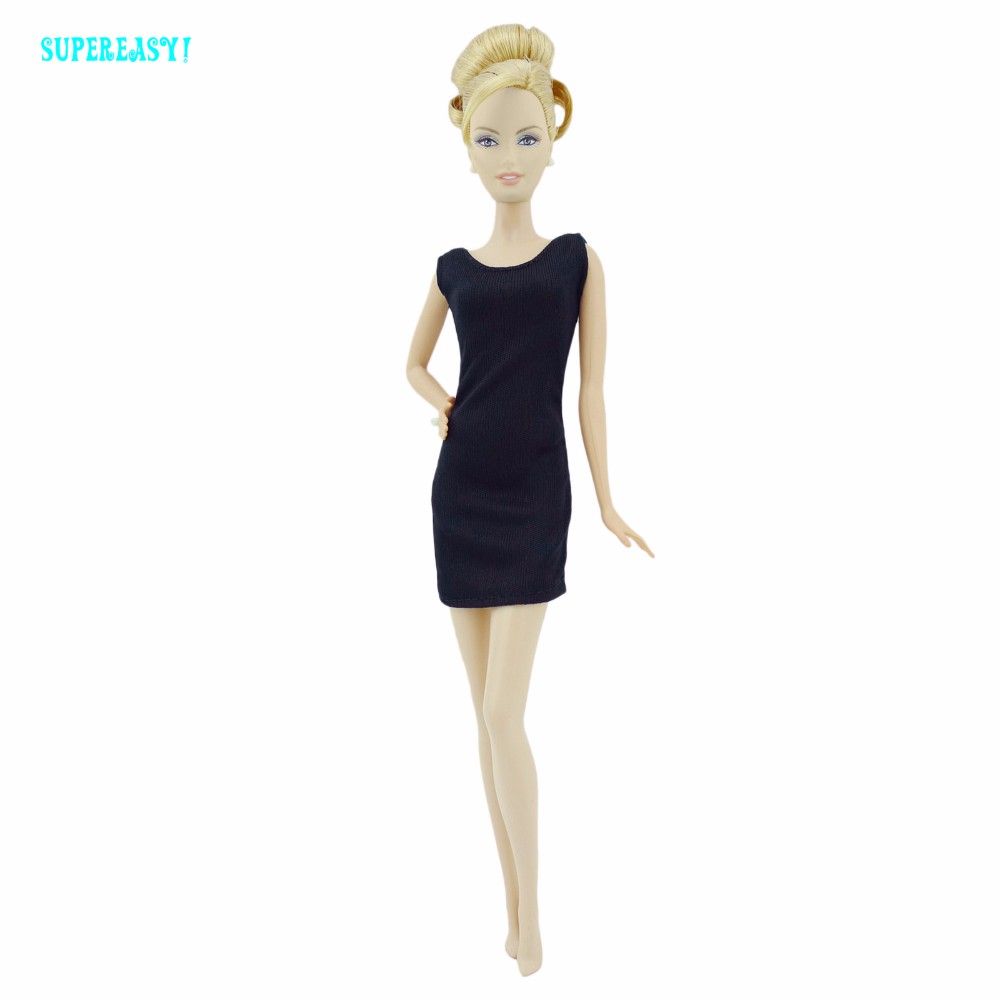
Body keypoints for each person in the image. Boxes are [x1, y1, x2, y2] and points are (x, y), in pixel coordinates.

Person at [405, 23, 654, 977]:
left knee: (505, 714)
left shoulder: (576, 261)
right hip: (461, 493)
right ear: (465, 145)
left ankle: (534, 916)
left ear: (554, 137)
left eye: (525, 136)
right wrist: (443, 405)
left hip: (535, 495)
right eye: (489, 139)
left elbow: (592, 391)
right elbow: (410, 363)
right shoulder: (452, 268)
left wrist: (607, 499)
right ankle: (511, 913)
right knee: (483, 717)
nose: (508, 156)